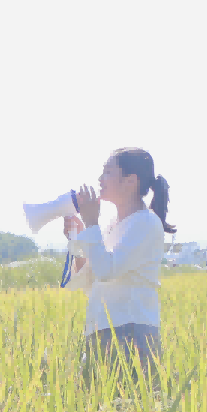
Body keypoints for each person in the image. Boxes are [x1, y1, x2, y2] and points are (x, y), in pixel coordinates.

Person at [63, 146, 175, 373]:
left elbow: (106, 270)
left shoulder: (145, 223)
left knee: (128, 405)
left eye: (107, 172)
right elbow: (88, 282)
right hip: (103, 328)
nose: (100, 178)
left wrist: (92, 224)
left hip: (131, 331)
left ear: (130, 180)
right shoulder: (112, 226)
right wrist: (77, 237)